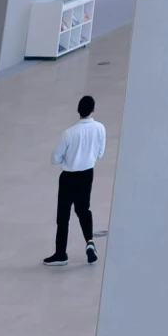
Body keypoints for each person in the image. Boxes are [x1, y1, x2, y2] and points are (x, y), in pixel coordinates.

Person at [47, 94, 105, 266]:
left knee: (63, 216)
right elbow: (100, 153)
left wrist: (67, 159)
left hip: (68, 178)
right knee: (83, 210)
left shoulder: (69, 133)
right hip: (87, 174)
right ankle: (89, 242)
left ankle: (60, 254)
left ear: (78, 110)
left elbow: (55, 158)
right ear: (93, 109)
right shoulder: (100, 128)